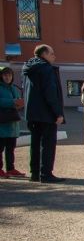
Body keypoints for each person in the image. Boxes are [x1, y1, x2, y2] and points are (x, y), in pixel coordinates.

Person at [22, 44, 65, 183]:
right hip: (46, 114)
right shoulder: (46, 69)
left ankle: (35, 173)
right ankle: (46, 173)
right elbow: (50, 92)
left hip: (32, 113)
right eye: (52, 53)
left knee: (35, 143)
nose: (54, 56)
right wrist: (58, 113)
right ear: (44, 54)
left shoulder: (28, 68)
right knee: (47, 144)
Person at [0, 66, 25, 178]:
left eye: (9, 75)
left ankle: (11, 168)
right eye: (5, 75)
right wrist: (12, 102)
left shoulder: (14, 88)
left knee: (11, 148)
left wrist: (19, 103)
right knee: (0, 148)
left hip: (13, 122)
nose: (7, 77)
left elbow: (19, 99)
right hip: (2, 122)